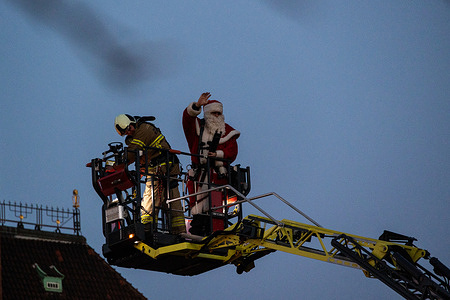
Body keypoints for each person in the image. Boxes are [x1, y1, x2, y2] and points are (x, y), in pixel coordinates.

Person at [113, 114, 186, 234]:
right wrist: (141, 168)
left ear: (132, 122)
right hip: (166, 166)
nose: (129, 132)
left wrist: (115, 166)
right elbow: (144, 154)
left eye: (129, 129)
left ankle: (148, 229)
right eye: (126, 132)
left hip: (161, 167)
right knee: (172, 199)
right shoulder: (141, 130)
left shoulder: (143, 130)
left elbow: (131, 154)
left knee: (150, 197)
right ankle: (179, 231)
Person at [182, 93, 240, 217]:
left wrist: (218, 154)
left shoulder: (228, 132)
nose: (217, 116)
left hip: (219, 177)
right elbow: (187, 120)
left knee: (217, 211)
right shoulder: (197, 130)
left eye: (219, 113)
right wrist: (197, 105)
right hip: (198, 177)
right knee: (198, 214)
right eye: (214, 113)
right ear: (207, 114)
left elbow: (232, 151)